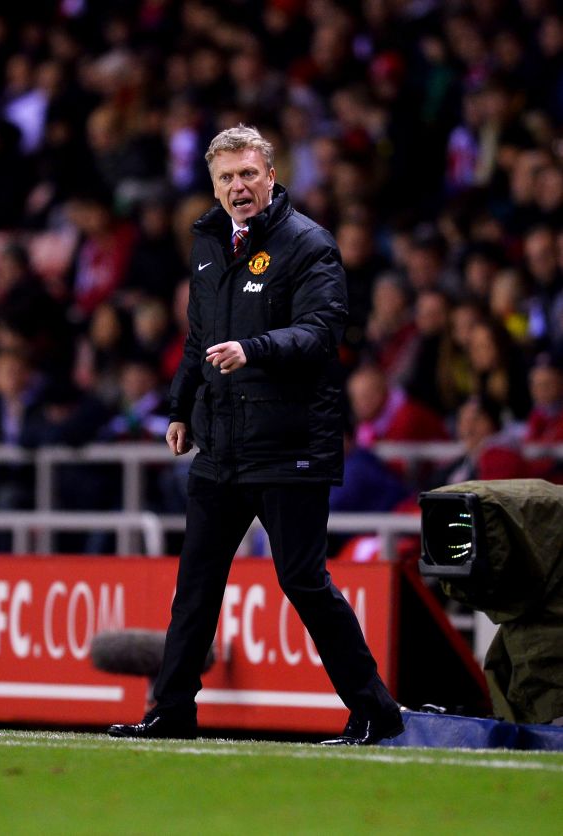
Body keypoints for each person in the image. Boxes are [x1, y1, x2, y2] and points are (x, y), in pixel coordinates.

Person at [107, 126, 404, 745]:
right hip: (222, 442)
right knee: (196, 583)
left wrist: (253, 349)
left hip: (290, 442)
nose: (237, 187)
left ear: (270, 175)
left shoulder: (309, 246)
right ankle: (172, 711)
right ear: (213, 188)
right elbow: (197, 337)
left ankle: (375, 710)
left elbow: (322, 332)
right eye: (225, 179)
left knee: (302, 579)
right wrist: (180, 408)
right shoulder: (210, 244)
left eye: (247, 174)